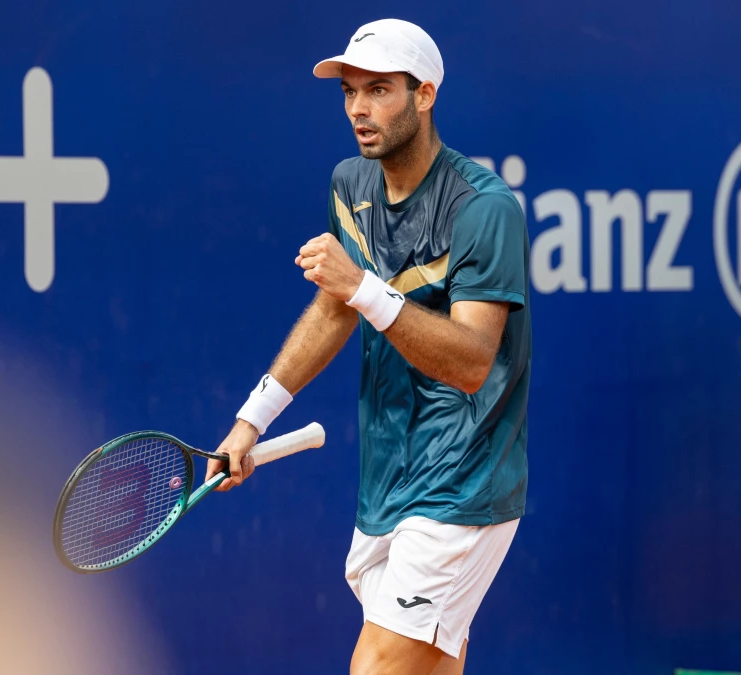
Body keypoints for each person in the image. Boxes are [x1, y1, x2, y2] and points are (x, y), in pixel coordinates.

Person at [204, 17, 532, 675]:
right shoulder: (350, 186)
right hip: (387, 486)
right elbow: (333, 309)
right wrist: (251, 421)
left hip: (463, 482)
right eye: (351, 90)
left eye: (380, 89)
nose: (359, 107)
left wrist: (366, 287)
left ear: (425, 94)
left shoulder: (483, 208)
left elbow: (472, 360)